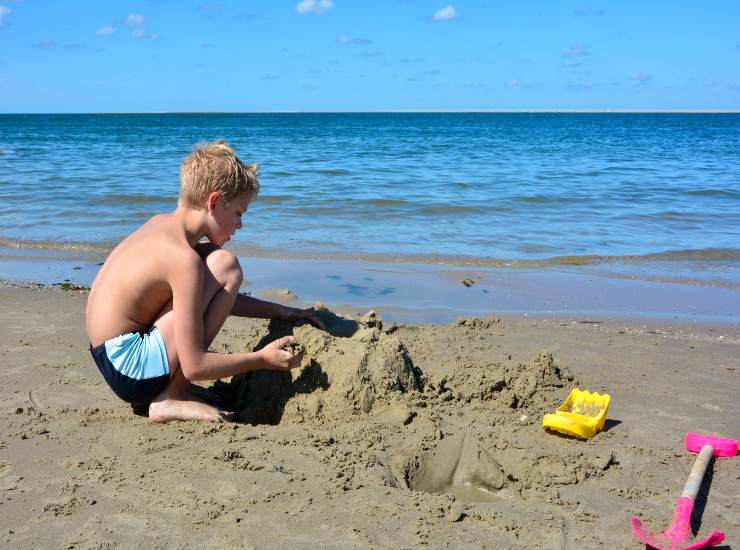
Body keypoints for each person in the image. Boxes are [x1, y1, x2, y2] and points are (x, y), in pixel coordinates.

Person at [85, 141, 324, 423]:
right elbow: (195, 364)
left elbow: (208, 295)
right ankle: (171, 397)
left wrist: (283, 311)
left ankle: (173, 390)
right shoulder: (182, 259)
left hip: (114, 359)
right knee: (226, 265)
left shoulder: (161, 225)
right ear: (213, 202)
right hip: (132, 368)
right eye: (238, 213)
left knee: (216, 262)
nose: (240, 225)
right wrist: (262, 359)